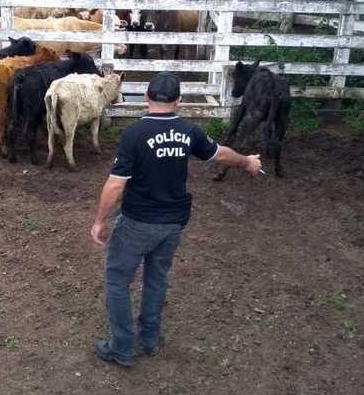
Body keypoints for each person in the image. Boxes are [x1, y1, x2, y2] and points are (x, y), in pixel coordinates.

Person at [90, 71, 262, 367]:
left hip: (137, 222)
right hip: (173, 223)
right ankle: (150, 339)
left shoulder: (134, 134)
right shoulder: (189, 131)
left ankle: (121, 347)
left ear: (146, 98)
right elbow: (219, 154)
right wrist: (247, 161)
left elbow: (117, 184)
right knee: (156, 278)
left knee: (118, 280)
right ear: (179, 101)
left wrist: (99, 220)